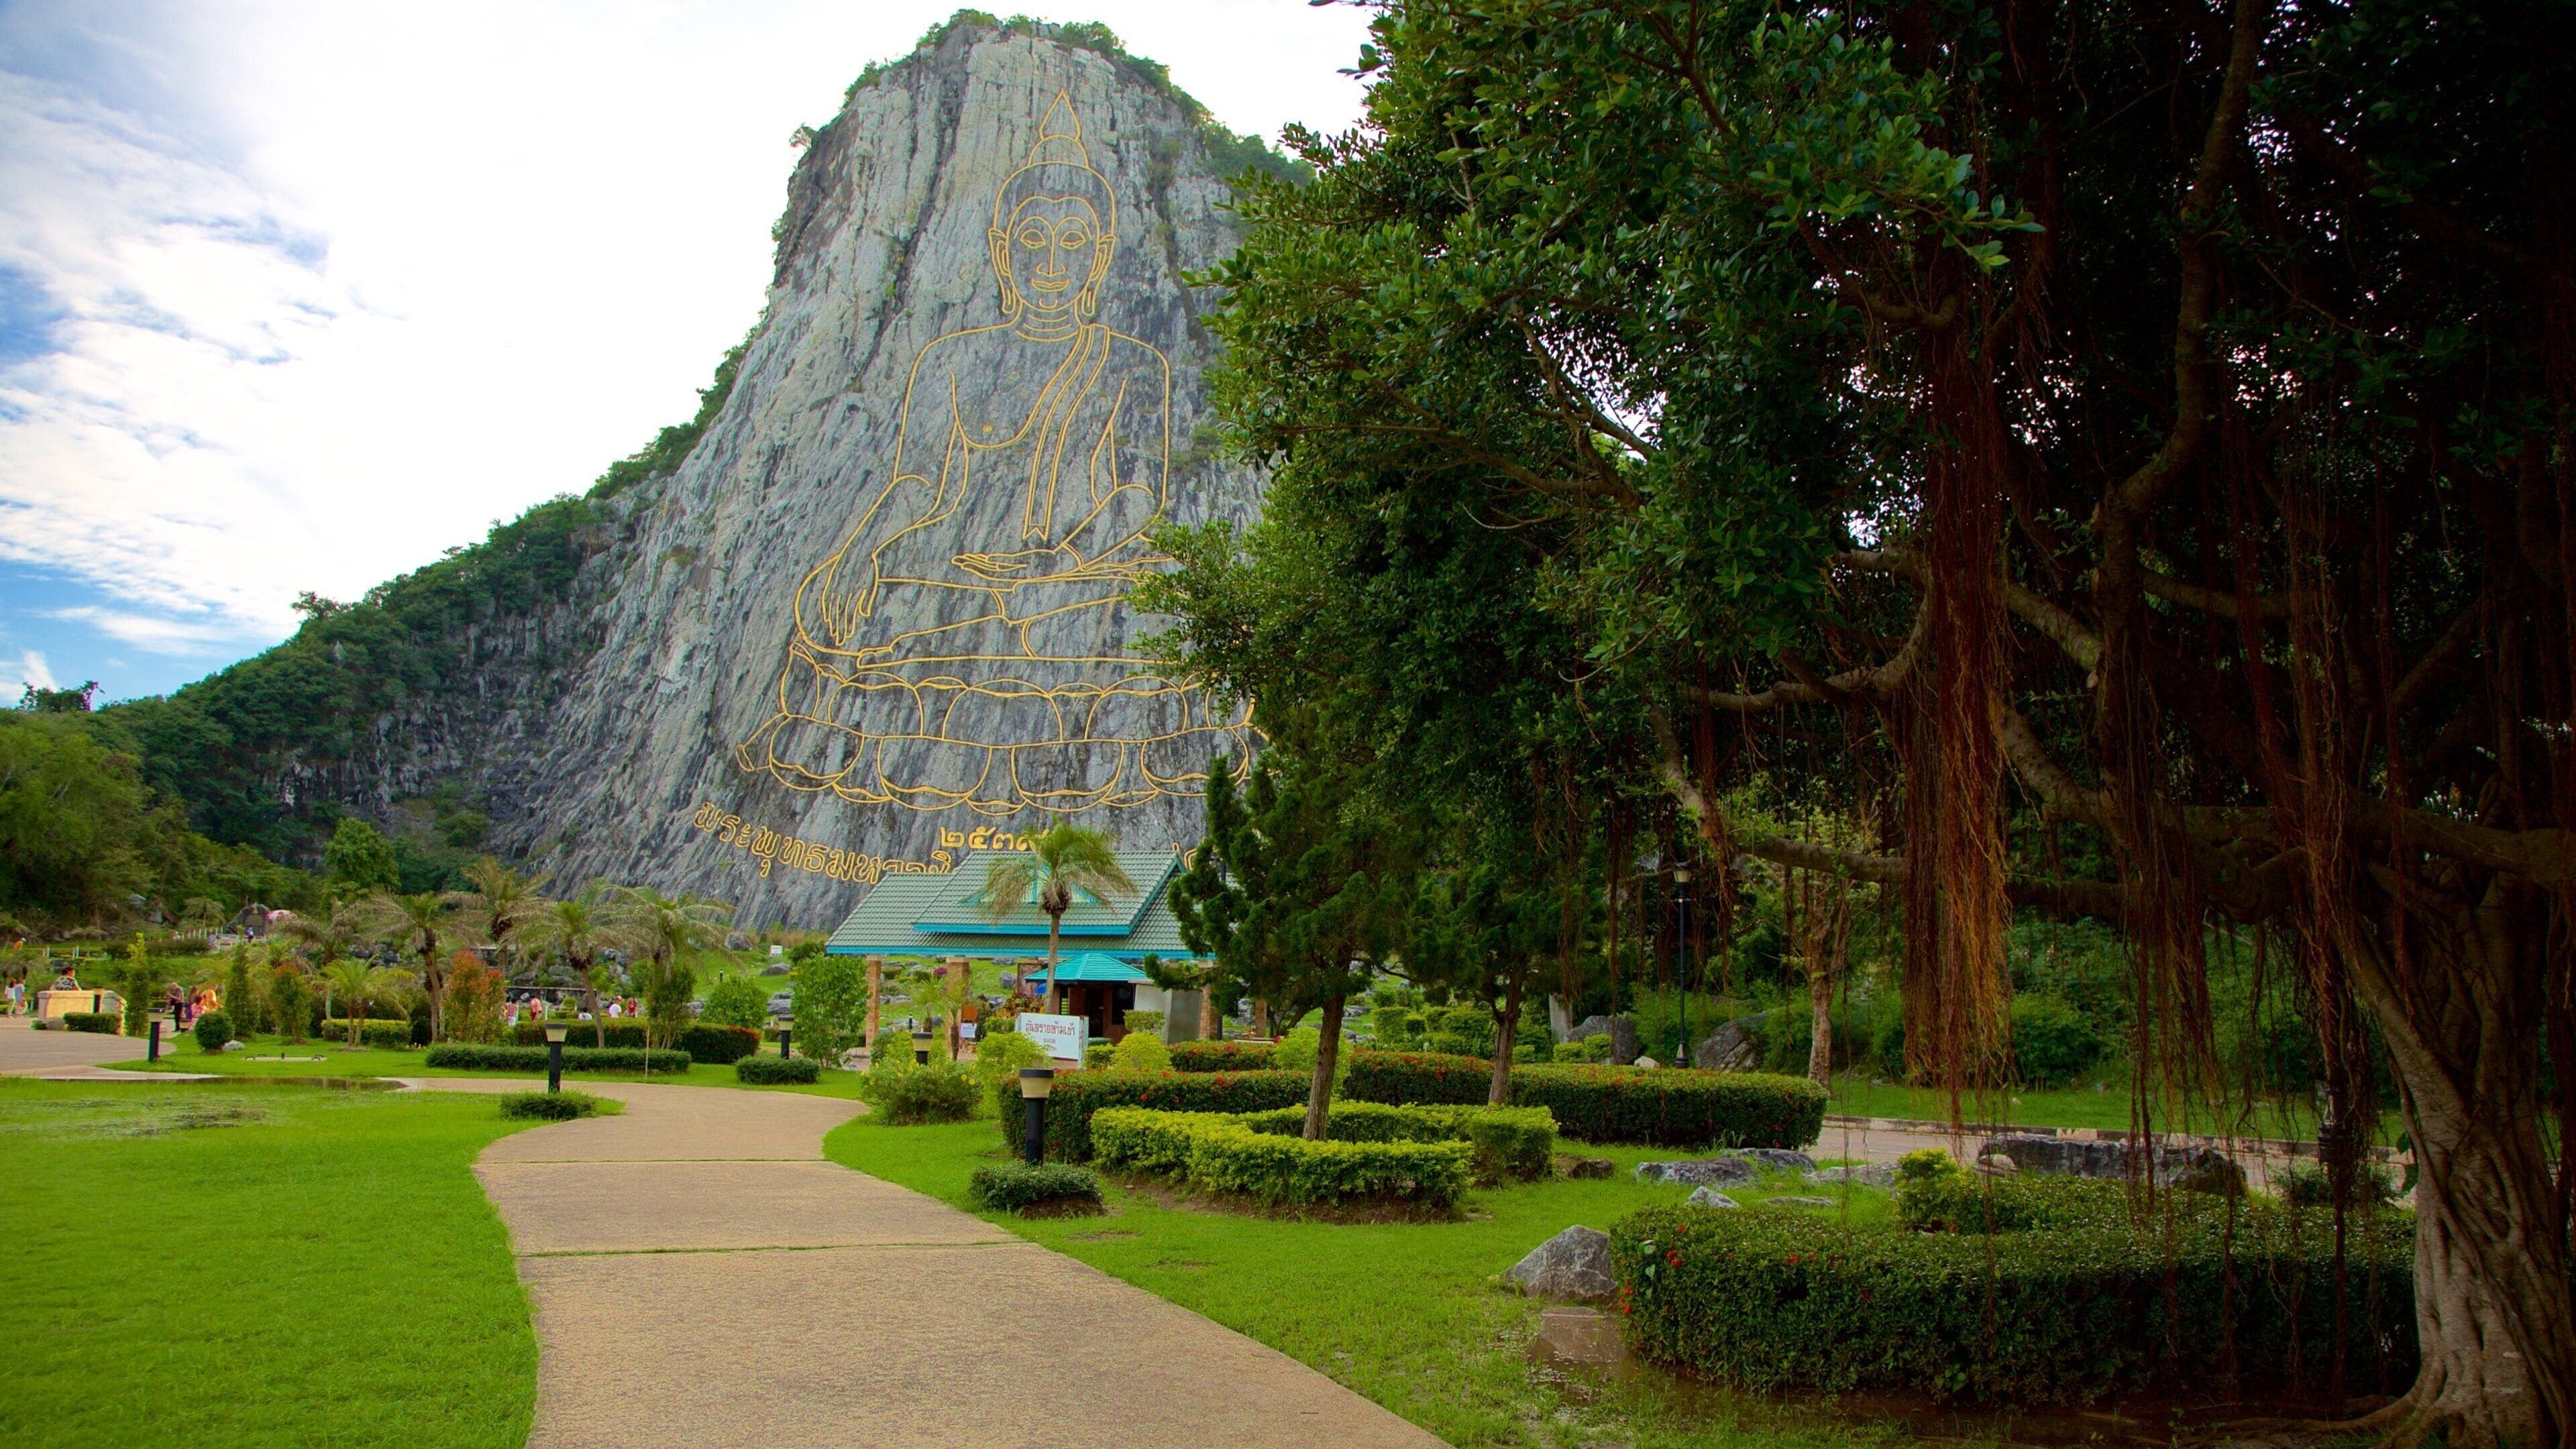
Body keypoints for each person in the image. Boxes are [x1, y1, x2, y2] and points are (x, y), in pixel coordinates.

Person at [737, 91, 1248, 815]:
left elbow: (1137, 494)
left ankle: (1012, 666)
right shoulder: (954, 356)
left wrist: (1058, 563)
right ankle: (980, 652)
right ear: (1004, 249)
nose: (1051, 260)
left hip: (1083, 573)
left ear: (1100, 256)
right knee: (874, 595)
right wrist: (859, 550)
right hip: (966, 577)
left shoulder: (1132, 361)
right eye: (1033, 238)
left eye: (1074, 241)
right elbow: (920, 483)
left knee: (1164, 597)